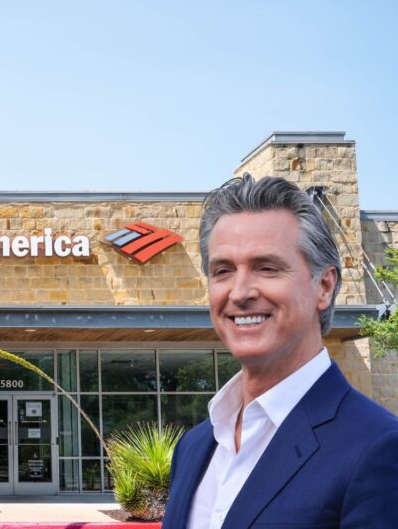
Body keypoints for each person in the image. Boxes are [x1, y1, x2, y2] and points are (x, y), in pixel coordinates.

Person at [163, 174, 398, 528]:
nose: (240, 292)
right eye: (223, 271)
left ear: (323, 286)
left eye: (266, 268)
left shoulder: (378, 449)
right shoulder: (193, 447)